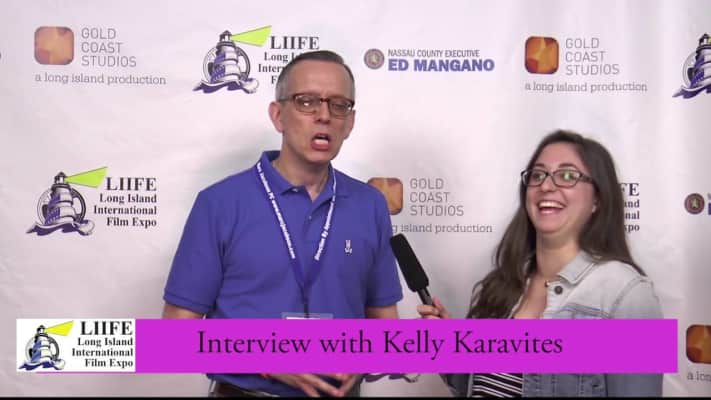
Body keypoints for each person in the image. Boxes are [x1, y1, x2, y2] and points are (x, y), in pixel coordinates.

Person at [162, 50, 403, 397]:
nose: (324, 116)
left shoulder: (370, 205)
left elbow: (385, 329)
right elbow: (172, 340)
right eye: (307, 102)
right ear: (278, 115)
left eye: (338, 105)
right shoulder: (220, 203)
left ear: (350, 122)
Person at [418, 130, 663, 397]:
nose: (546, 186)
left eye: (567, 176)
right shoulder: (503, 285)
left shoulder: (628, 294)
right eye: (538, 175)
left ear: (598, 199)